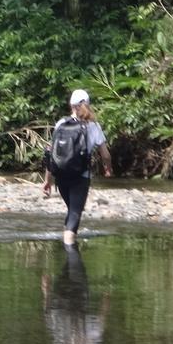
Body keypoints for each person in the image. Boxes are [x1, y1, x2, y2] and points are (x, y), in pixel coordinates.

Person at [42, 88, 112, 245]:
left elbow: (51, 155)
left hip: (61, 176)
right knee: (75, 212)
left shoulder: (61, 123)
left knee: (72, 211)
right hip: (80, 176)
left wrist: (48, 180)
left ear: (71, 105)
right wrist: (108, 168)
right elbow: (105, 155)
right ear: (88, 104)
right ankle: (70, 249)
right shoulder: (92, 126)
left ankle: (68, 250)